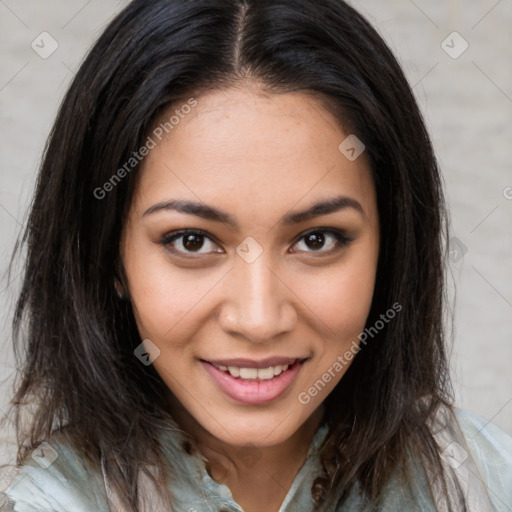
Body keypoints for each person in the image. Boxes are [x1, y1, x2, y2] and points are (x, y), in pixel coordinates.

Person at [0, 0, 511, 511]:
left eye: (317, 240)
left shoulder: (483, 486)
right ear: (108, 257)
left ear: (391, 246)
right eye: (192, 241)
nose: (259, 319)